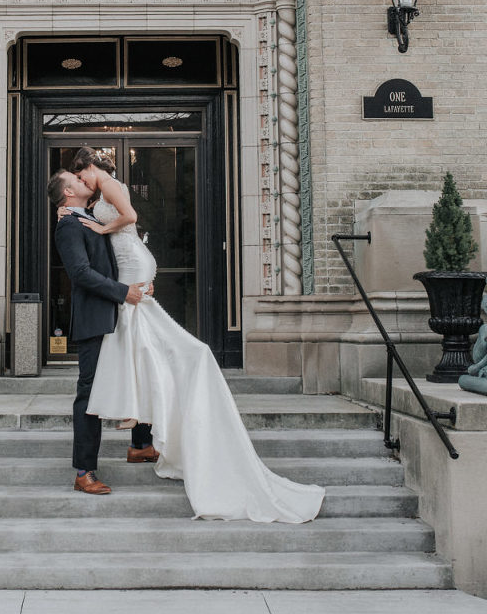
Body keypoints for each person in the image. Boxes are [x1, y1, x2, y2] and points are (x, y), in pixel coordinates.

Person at [68, 146, 325, 523]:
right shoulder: (89, 203)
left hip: (130, 265)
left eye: (81, 176)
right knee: (140, 349)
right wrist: (74, 213)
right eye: (77, 181)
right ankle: (140, 439)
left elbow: (129, 218)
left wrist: (103, 229)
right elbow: (91, 238)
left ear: (91, 167)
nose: (82, 183)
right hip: (126, 269)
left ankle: (138, 433)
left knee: (139, 345)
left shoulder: (108, 186)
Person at [47, 168, 155, 495]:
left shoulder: (89, 215)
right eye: (77, 180)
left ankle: (141, 444)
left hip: (119, 314)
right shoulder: (68, 225)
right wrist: (124, 292)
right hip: (96, 319)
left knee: (140, 372)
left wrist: (138, 283)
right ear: (68, 193)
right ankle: (84, 472)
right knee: (90, 392)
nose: (84, 181)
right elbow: (80, 273)